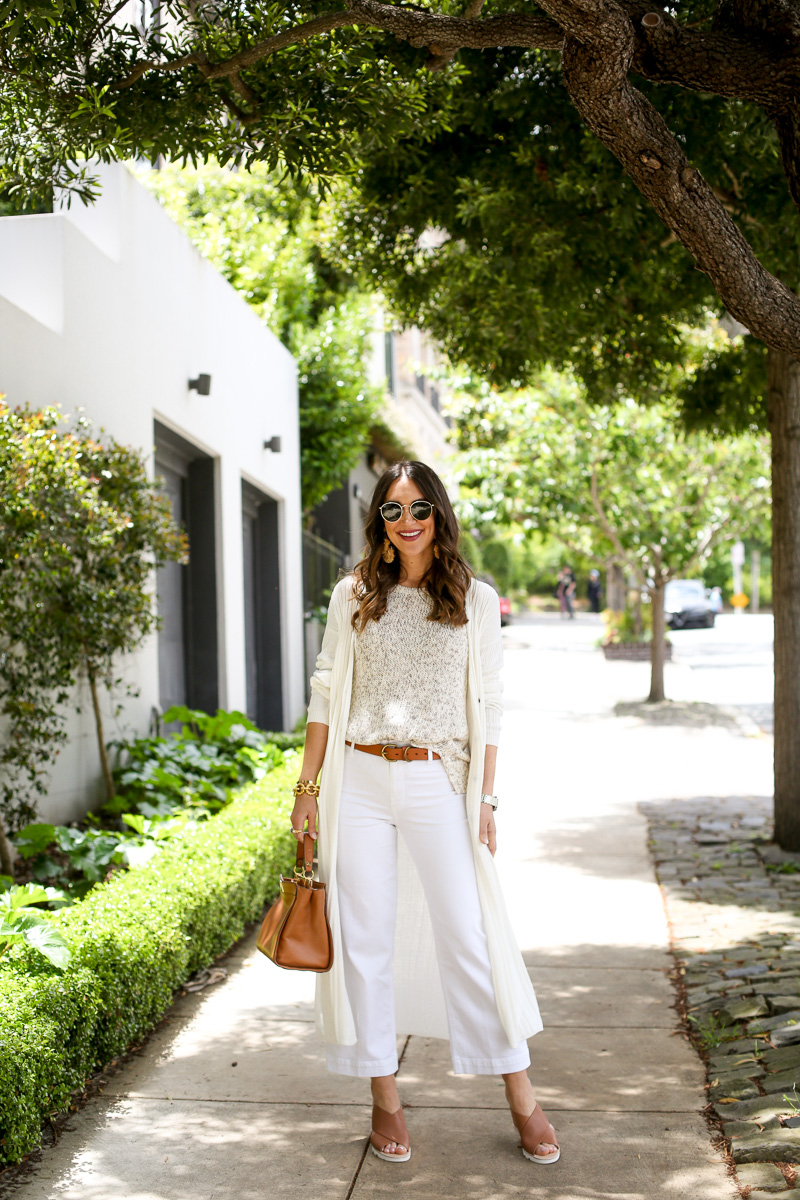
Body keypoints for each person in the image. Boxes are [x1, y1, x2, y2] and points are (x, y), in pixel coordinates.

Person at [291, 460, 559, 1167]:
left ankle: (521, 1095)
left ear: (438, 513)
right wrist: (306, 789)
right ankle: (386, 1101)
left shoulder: (475, 600)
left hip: (438, 779)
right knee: (365, 943)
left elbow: (491, 705)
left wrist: (488, 798)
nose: (406, 522)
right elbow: (326, 694)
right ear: (378, 523)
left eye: (418, 508)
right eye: (391, 511)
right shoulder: (354, 596)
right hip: (360, 779)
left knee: (467, 937)